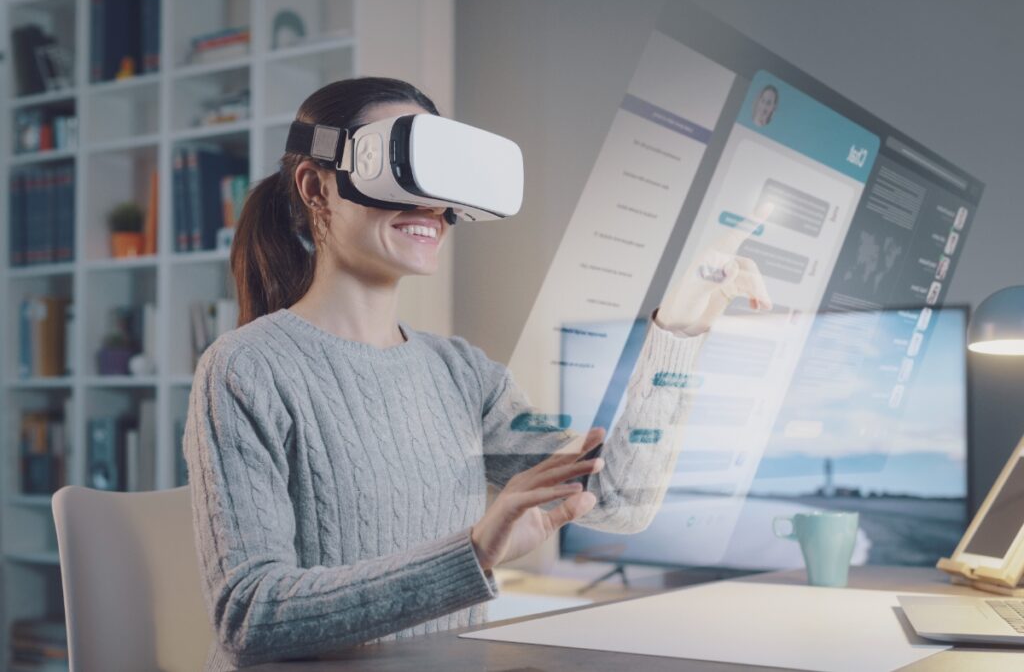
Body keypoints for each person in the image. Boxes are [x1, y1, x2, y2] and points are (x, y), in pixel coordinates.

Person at [183, 76, 771, 671]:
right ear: (317, 186)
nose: (432, 206)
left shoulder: (464, 373)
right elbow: (248, 615)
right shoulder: (245, 368)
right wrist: (471, 553)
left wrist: (679, 330)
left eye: (441, 180)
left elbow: (617, 501)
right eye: (401, 168)